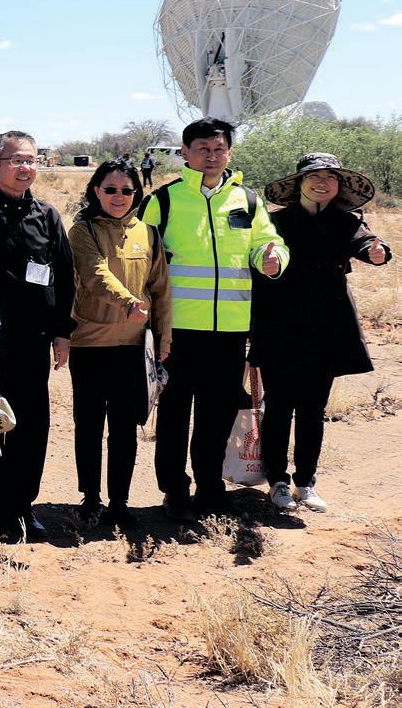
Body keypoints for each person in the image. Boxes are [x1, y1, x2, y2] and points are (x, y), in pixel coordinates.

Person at [141, 118, 288, 521]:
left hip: (230, 330)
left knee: (217, 415)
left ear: (229, 153)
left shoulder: (248, 201)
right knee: (174, 415)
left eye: (218, 148)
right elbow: (141, 256)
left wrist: (273, 259)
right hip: (177, 330)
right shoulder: (163, 201)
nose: (211, 155)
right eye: (202, 148)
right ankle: (175, 491)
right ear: (185, 153)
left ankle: (210, 487)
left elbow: (268, 242)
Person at [252, 153, 391, 514]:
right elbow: (256, 258)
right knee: (279, 406)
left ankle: (305, 482)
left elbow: (367, 244)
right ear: (298, 183)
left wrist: (378, 252)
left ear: (339, 186)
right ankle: (277, 481)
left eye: (330, 177)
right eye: (314, 176)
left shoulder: (347, 222)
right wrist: (264, 264)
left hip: (327, 327)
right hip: (280, 325)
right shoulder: (273, 222)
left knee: (313, 408)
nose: (322, 183)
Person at [0, 130, 75, 542]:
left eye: (31, 159)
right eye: (16, 160)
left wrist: (61, 332)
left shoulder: (47, 216)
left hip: (33, 341)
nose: (25, 167)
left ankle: (23, 507)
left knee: (32, 427)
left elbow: (64, 275)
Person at [66, 158, 171, 530]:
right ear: (96, 191)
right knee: (89, 426)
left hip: (133, 349)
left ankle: (119, 502)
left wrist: (164, 339)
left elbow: (161, 290)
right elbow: (95, 274)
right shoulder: (83, 231)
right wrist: (128, 302)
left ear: (136, 193)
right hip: (89, 346)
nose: (118, 196)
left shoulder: (150, 234)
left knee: (125, 429)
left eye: (127, 190)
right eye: (110, 189)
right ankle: (90, 499)